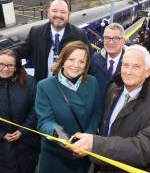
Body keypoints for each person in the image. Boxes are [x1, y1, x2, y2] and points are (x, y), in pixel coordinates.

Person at [71, 45, 150, 173]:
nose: (128, 71)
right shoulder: (114, 88)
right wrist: (90, 147)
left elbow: (144, 148)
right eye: (125, 65)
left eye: (136, 66)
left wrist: (96, 145)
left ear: (148, 72)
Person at [0, 0, 90, 81]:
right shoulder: (36, 32)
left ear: (69, 14)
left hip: (70, 84)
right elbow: (20, 51)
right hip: (44, 85)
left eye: (63, 12)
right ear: (48, 12)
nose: (58, 15)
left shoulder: (79, 35)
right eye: (54, 11)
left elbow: (88, 60)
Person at [35, 41, 102, 173]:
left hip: (82, 152)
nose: (76, 65)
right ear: (63, 59)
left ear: (86, 64)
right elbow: (45, 122)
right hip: (55, 155)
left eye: (81, 62)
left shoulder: (92, 82)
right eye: (71, 59)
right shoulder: (44, 86)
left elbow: (97, 113)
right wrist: (66, 140)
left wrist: (86, 137)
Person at [0, 49, 40, 173]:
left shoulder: (30, 82)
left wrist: (23, 130)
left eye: (10, 65)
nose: (5, 69)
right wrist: (1, 134)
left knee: (31, 166)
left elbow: (36, 108)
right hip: (3, 145)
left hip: (28, 142)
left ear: (16, 67)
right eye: (1, 64)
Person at [90, 23, 125, 99]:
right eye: (107, 38)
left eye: (116, 38)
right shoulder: (95, 58)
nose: (111, 42)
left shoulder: (130, 63)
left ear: (123, 41)